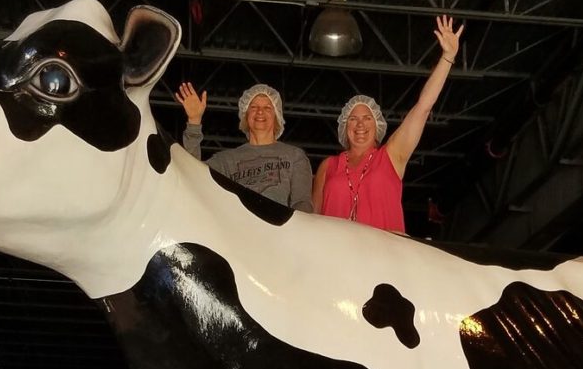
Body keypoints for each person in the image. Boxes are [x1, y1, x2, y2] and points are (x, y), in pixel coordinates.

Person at [312, 15, 464, 232]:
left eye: (367, 118)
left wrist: (447, 57)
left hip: (385, 259)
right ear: (344, 127)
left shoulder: (392, 155)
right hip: (337, 259)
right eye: (353, 119)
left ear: (378, 125)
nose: (360, 124)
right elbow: (312, 220)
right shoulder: (328, 166)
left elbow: (422, 108)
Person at [174, 82, 314, 212]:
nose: (260, 112)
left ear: (277, 116)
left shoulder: (294, 156)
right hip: (236, 235)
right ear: (245, 115)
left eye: (267, 108)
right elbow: (193, 175)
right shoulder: (225, 160)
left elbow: (302, 204)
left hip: (278, 236)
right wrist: (194, 121)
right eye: (254, 107)